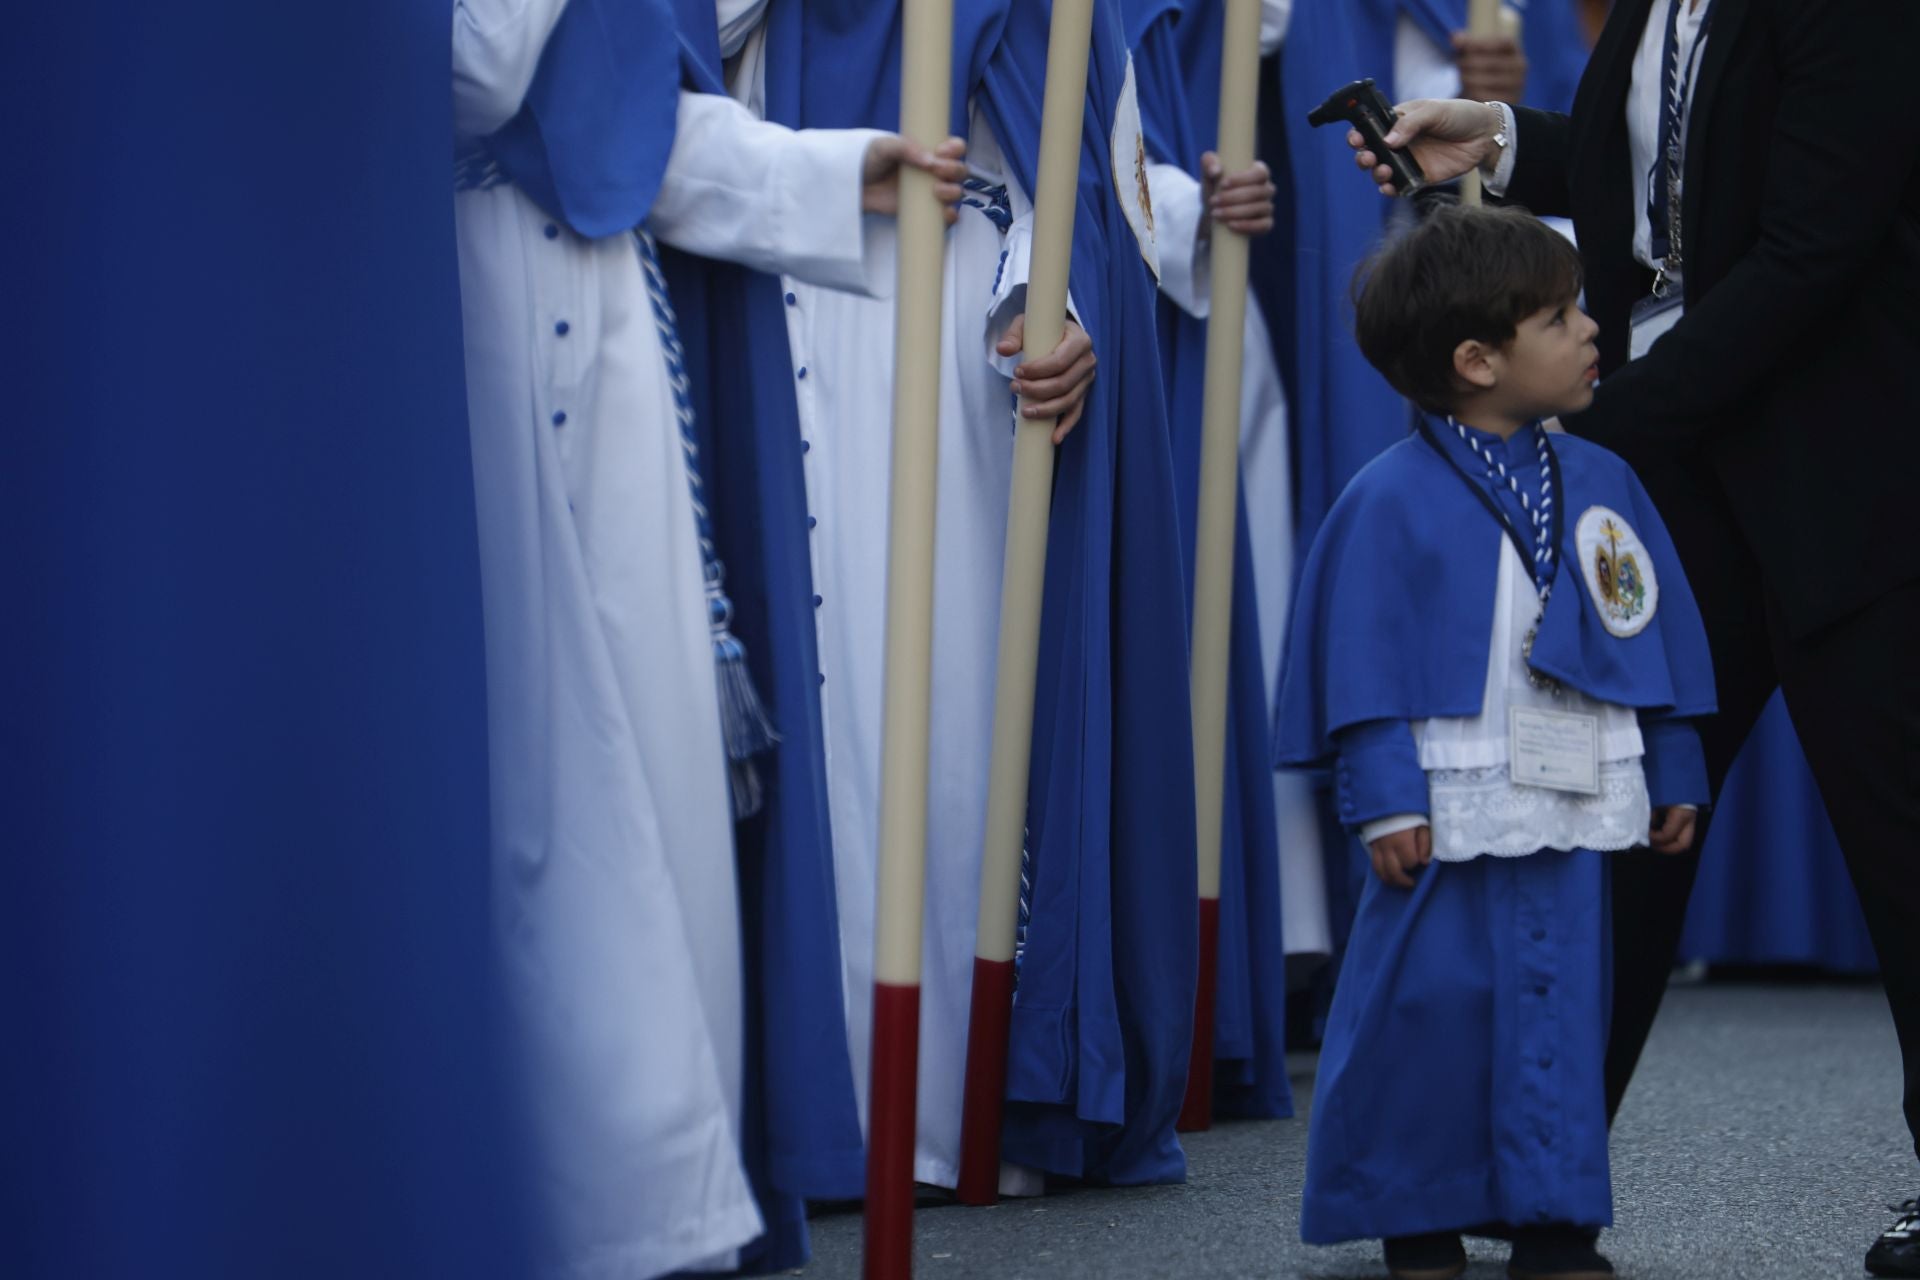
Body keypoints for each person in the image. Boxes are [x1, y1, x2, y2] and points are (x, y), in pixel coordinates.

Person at [1347, 2, 1920, 1270]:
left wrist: (1606, 422)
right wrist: (1494, 136)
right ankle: (1531, 1164)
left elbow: (1813, 242)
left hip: (1841, 471)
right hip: (1674, 478)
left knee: (1901, 830)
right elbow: (1672, 181)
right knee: (1610, 818)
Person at [451, 0, 966, 1271]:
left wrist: (825, 168)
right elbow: (470, 74)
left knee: (655, 775)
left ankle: (648, 1200)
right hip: (442, 319)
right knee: (512, 784)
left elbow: (632, 131)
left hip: (609, 334)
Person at [723, 0, 1203, 1194]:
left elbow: (1066, 164)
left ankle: (948, 1098)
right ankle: (796, 1108)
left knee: (942, 716)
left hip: (953, 344)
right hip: (774, 297)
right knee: (796, 709)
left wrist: (1059, 307)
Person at [1276, 204, 1715, 1280]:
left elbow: (1645, 624)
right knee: (1422, 1009)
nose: (1591, 331)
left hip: (1570, 794)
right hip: (1443, 796)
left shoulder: (1605, 481)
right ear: (1477, 360)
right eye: (1560, 317)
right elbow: (1361, 655)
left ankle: (1555, 1220)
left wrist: (1675, 759)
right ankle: (1414, 1212)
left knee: (1566, 1003)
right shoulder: (1387, 498)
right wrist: (1383, 792)